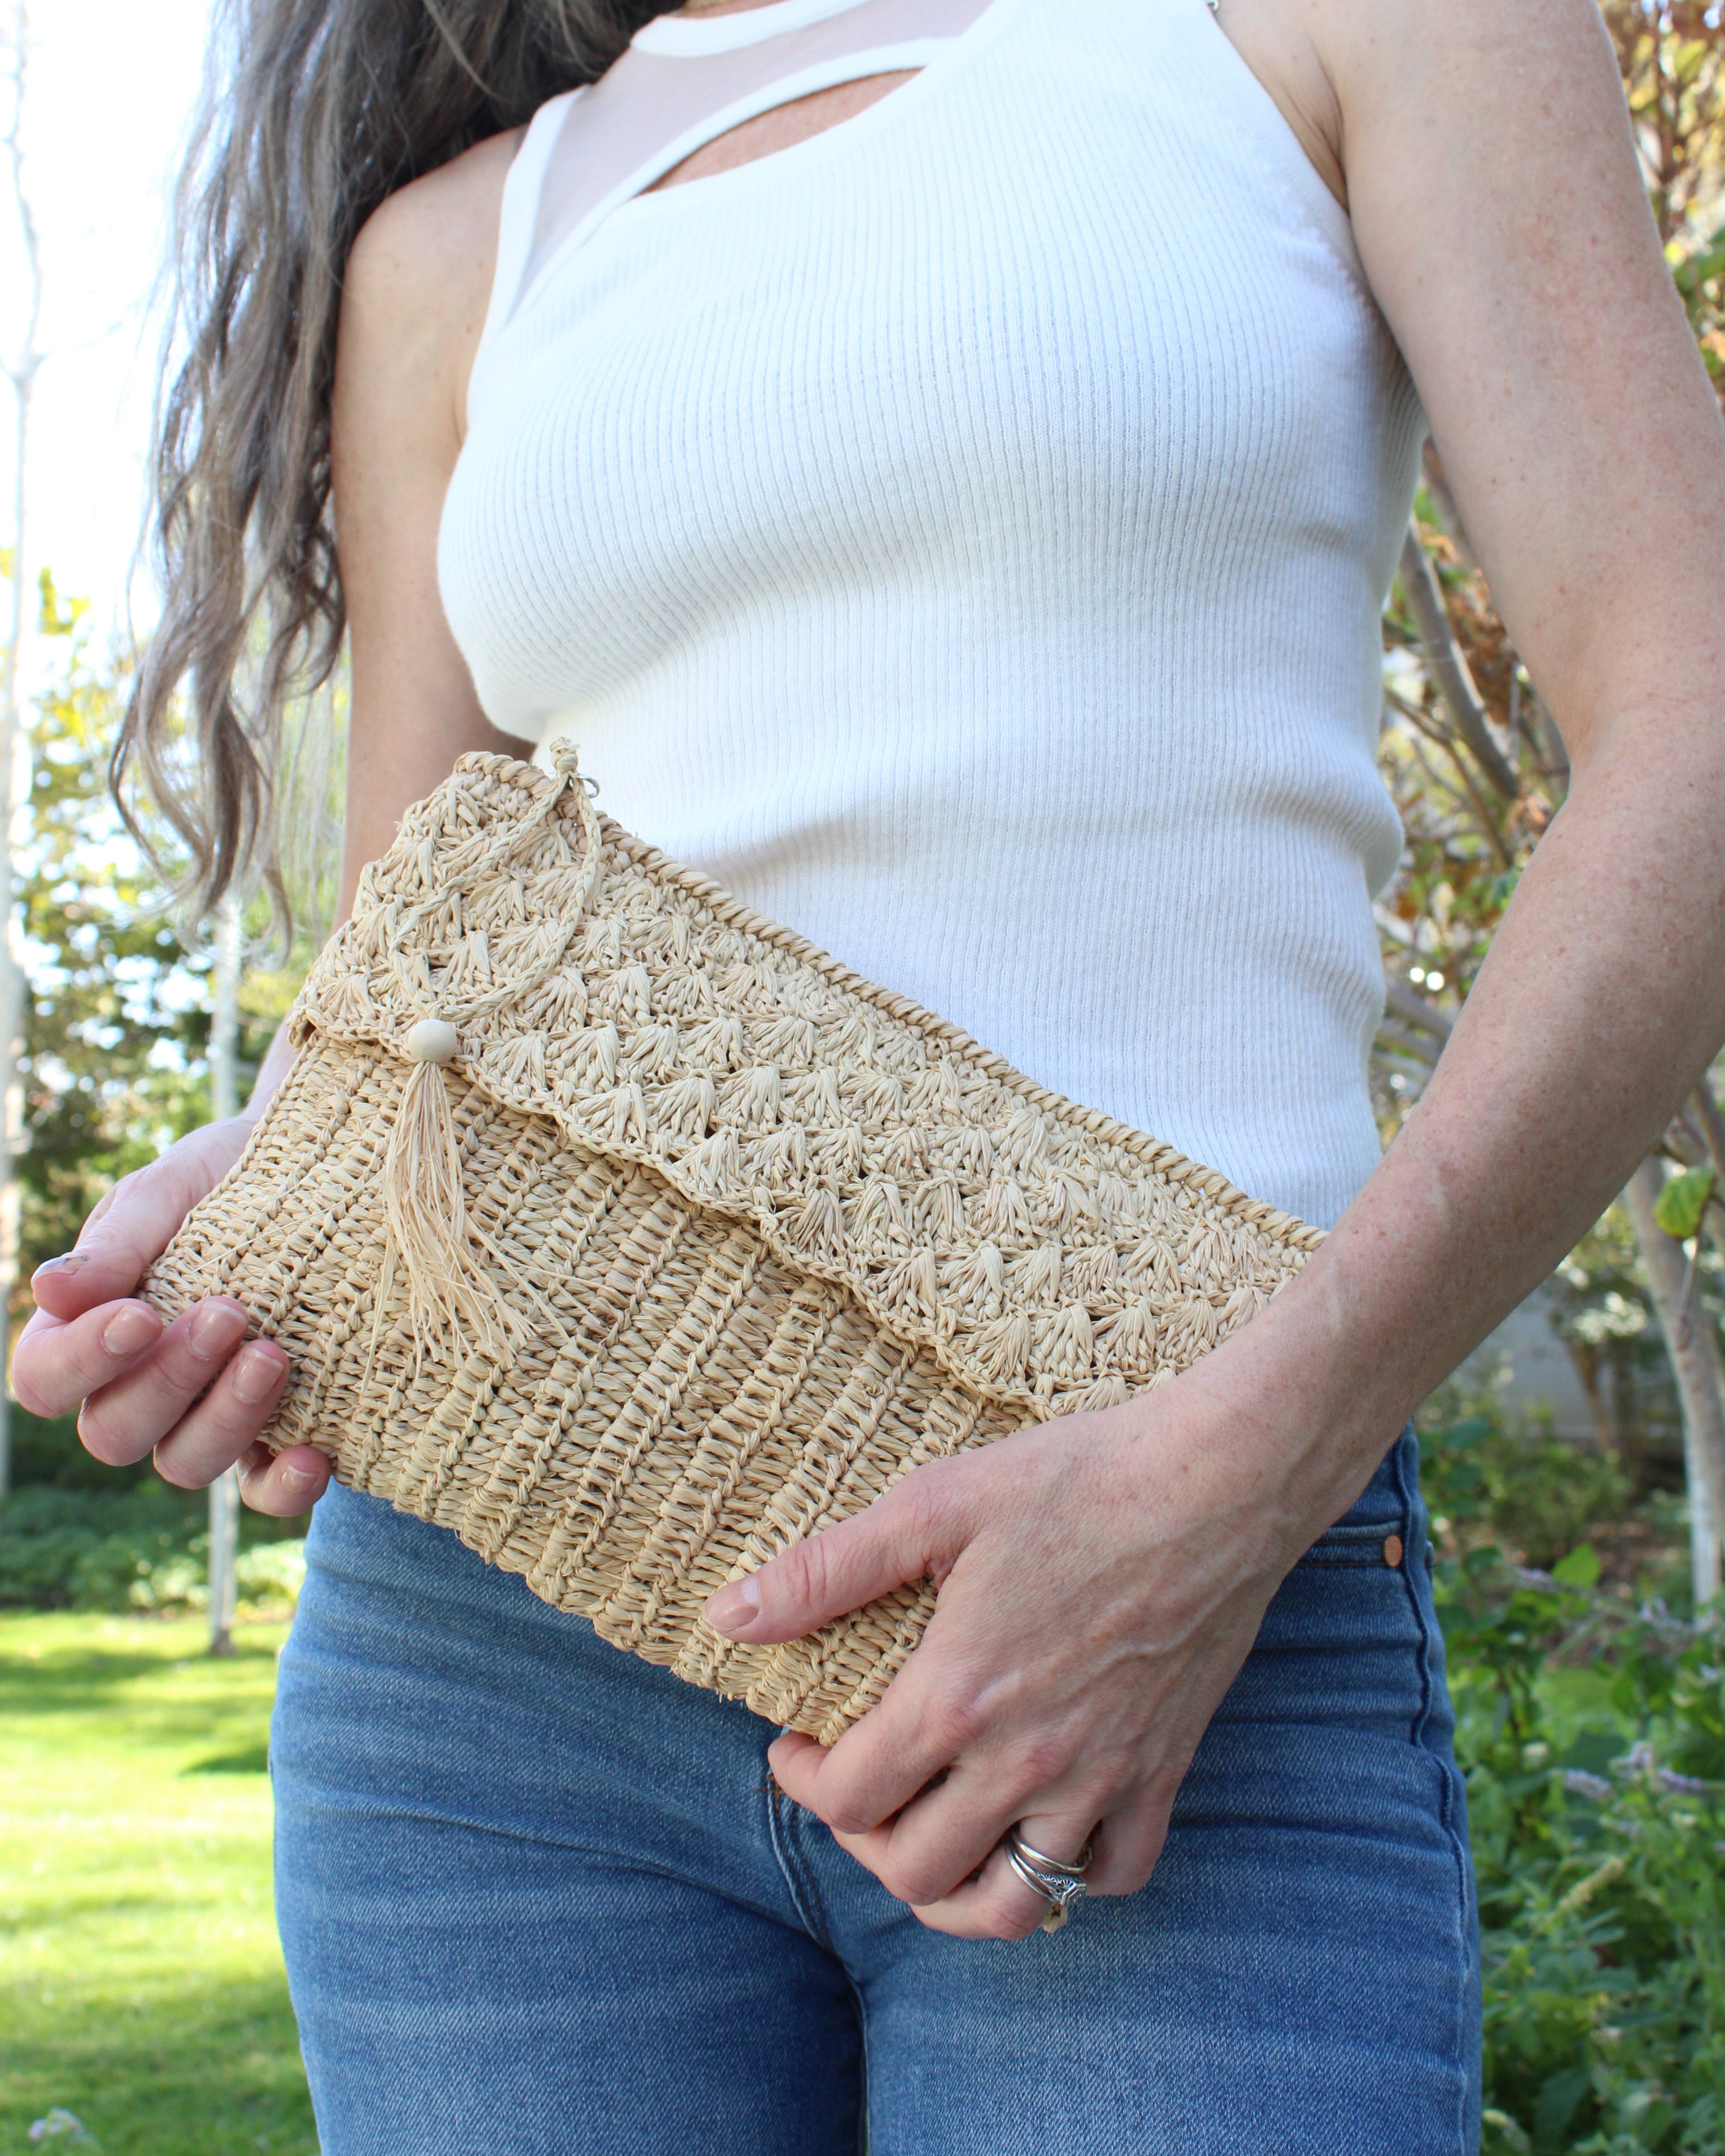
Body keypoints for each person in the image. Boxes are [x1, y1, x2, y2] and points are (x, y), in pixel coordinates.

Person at [17, 0, 1725, 2146]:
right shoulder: (459, 245)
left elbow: (1694, 731)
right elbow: (411, 995)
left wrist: (1234, 1483)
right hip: (494, 1686)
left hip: (1167, 1596)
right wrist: (251, 1215)